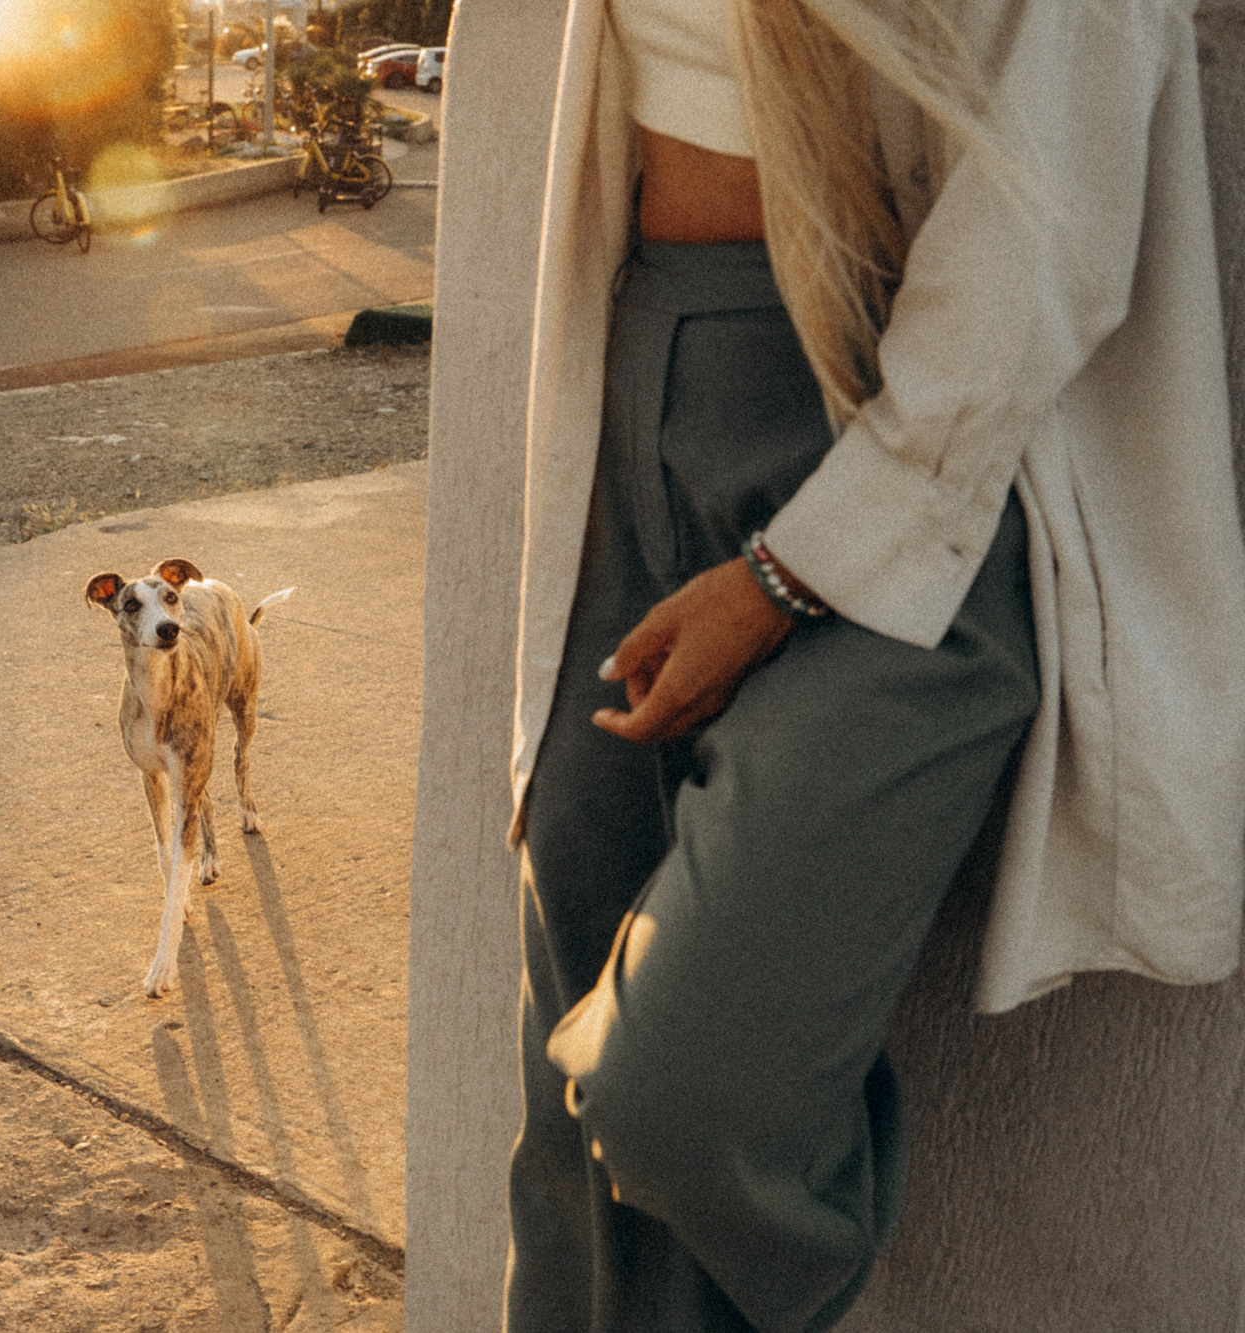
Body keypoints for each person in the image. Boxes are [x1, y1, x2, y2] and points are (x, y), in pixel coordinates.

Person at [435, 0, 1245, 1328]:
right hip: (643, 383)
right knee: (571, 1145)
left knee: (683, 1094)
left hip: (911, 450)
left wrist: (785, 576)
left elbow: (1053, 217)